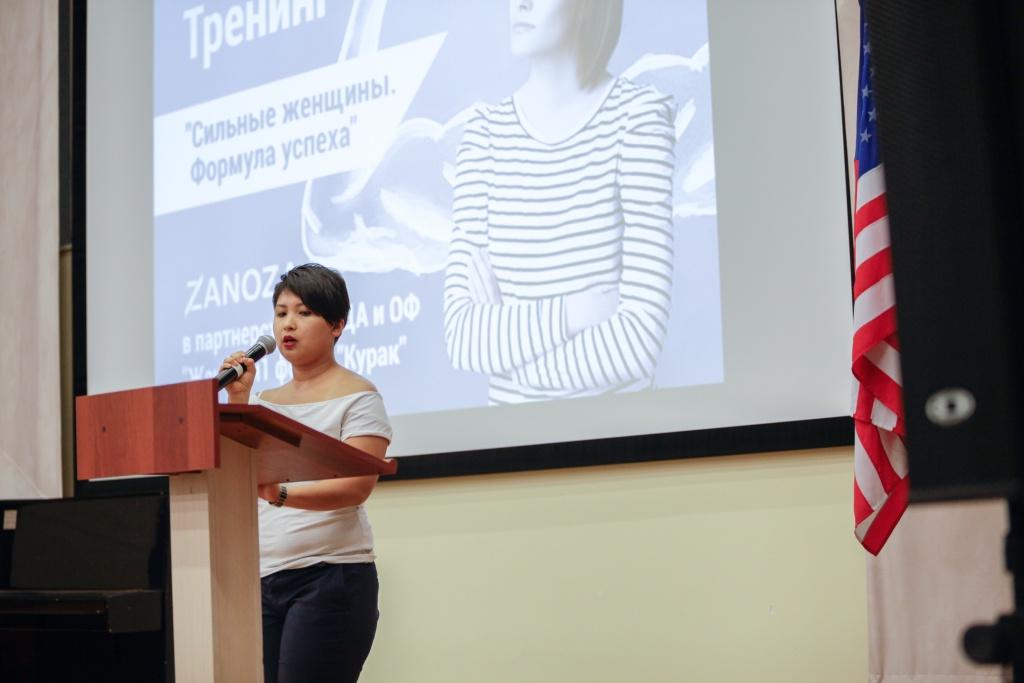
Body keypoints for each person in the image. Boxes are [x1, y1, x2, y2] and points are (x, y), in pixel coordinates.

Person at [443, 0, 677, 404]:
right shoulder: (484, 135)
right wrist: (575, 313)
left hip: (624, 435)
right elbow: (464, 338)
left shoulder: (638, 117)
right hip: (507, 438)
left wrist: (513, 357)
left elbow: (638, 341)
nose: (521, 4)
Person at [221, 263, 391, 683]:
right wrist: (239, 401)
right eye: (281, 313)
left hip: (330, 577)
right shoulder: (265, 401)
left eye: (304, 312)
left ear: (337, 325)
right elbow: (242, 473)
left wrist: (280, 494)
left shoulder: (359, 396)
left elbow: (357, 487)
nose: (288, 324)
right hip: (263, 578)